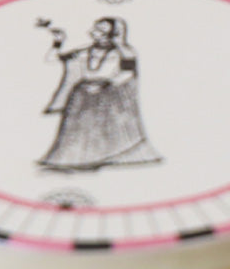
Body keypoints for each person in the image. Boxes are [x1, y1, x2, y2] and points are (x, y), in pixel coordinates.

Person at [38, 17, 162, 171]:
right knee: (78, 132)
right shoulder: (84, 52)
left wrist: (105, 85)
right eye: (95, 29)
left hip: (107, 96)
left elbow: (128, 73)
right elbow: (51, 59)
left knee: (104, 132)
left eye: (101, 30)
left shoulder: (124, 51)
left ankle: (102, 158)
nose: (94, 32)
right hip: (82, 96)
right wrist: (58, 42)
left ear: (114, 33)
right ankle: (77, 160)